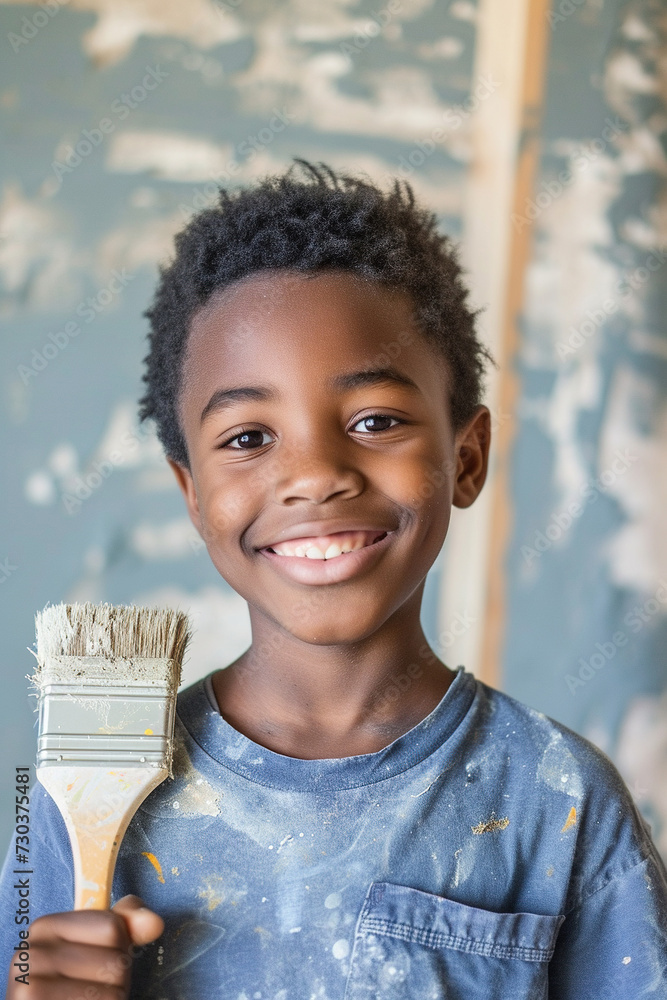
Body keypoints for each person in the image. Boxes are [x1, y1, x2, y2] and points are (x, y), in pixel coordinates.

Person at [2, 159, 666, 999]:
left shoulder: (556, 797)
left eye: (375, 420)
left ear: (465, 458)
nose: (314, 475)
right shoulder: (87, 804)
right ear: (192, 494)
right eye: (247, 437)